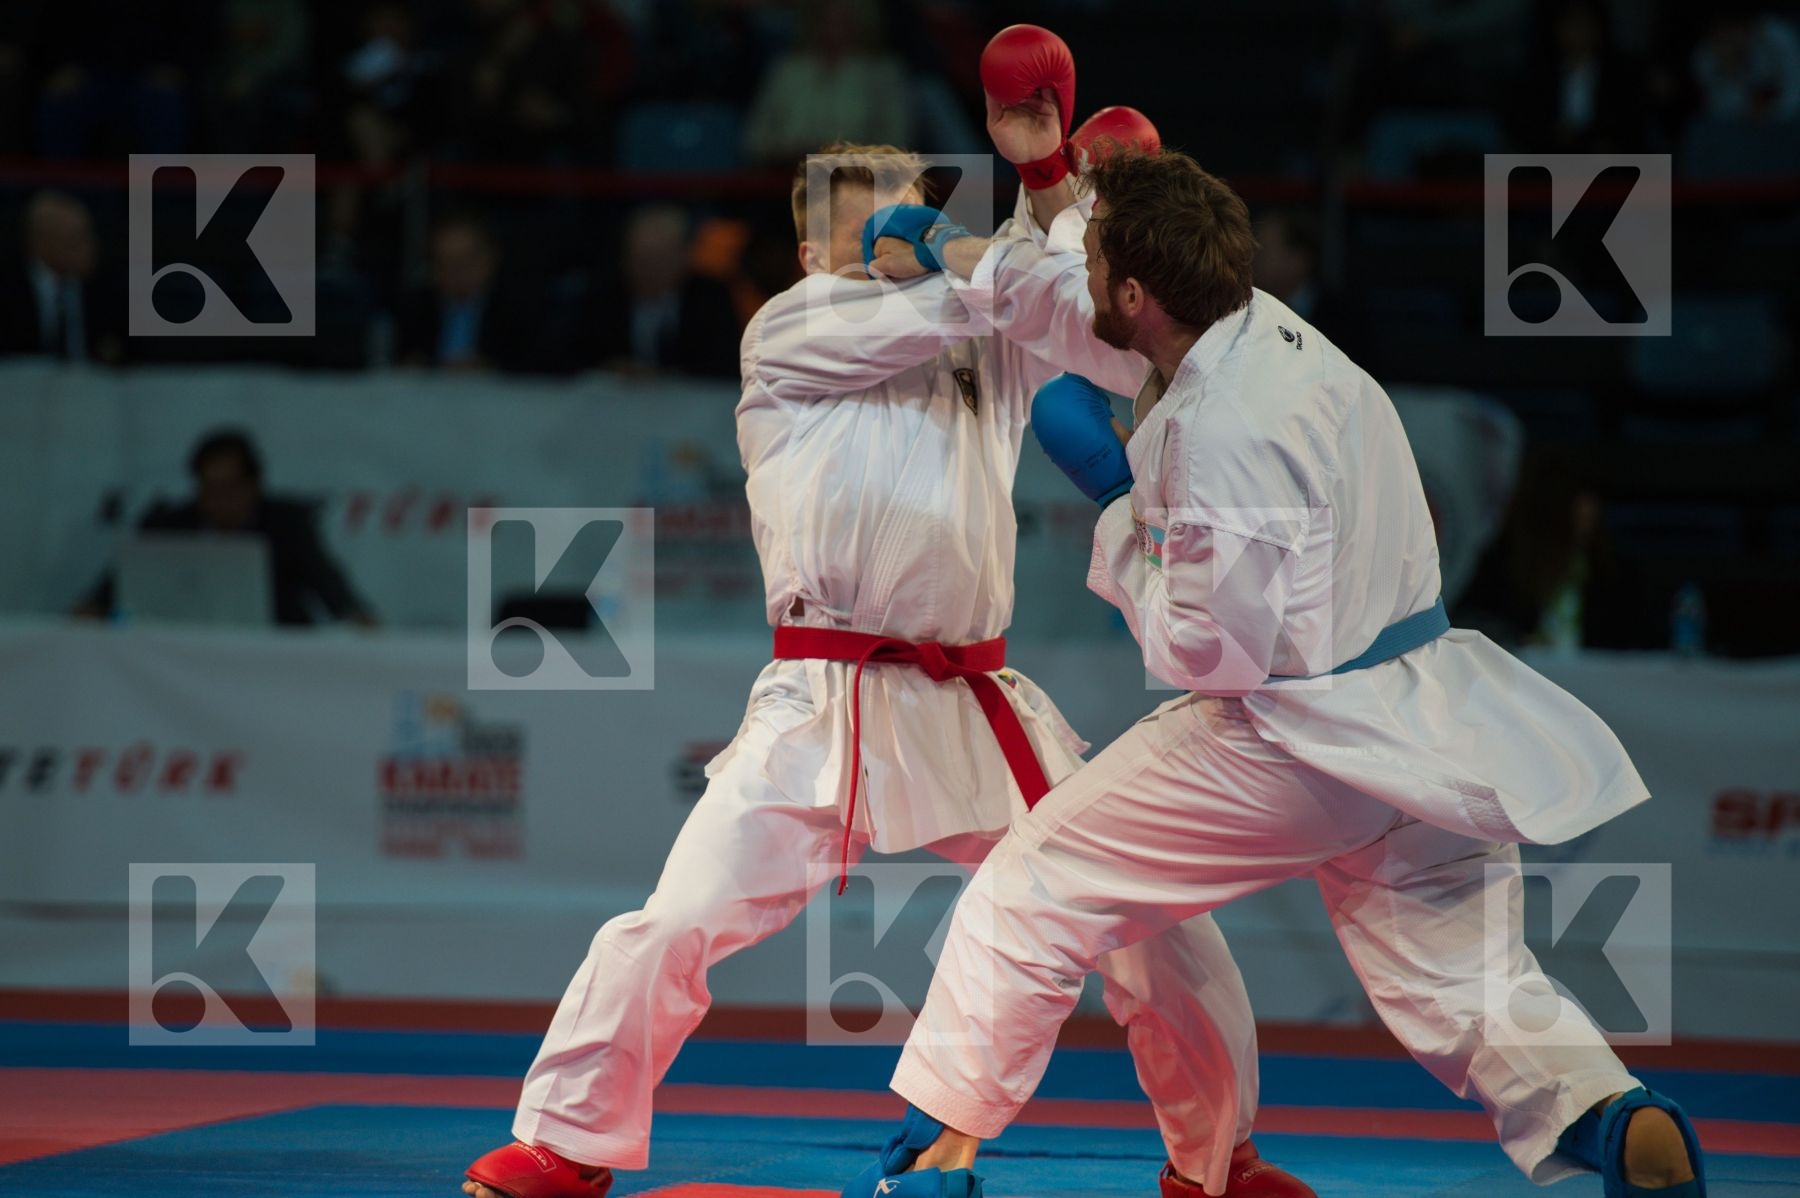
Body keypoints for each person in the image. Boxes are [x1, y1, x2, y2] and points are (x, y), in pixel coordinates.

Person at [463, 26, 1312, 1198]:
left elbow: (1101, 338)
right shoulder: (793, 329)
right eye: (868, 226)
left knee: (1159, 923)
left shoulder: (986, 329)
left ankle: (1220, 1159)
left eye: (911, 219)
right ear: (811, 242)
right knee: (679, 921)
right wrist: (1042, 212)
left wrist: (1049, 181)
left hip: (974, 697)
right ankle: (564, 1141)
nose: (897, 244)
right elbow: (991, 296)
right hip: (822, 698)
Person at [853, 149, 1705, 1198]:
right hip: (1428, 721)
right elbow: (1075, 297)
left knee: (1032, 885)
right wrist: (953, 253)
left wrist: (1121, 504)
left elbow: (1210, 652)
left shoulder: (1227, 436)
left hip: (1300, 729)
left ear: (1138, 290)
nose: (1093, 286)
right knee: (1470, 983)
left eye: (1107, 266)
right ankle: (1615, 1118)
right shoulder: (1254, 326)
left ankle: (934, 1160)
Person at [76, 429, 377, 627]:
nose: (219, 500)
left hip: (271, 656)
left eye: (230, 487)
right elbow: (119, 588)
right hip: (181, 655)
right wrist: (93, 609)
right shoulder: (167, 525)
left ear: (254, 486)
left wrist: (358, 619)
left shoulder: (286, 525)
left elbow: (331, 588)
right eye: (208, 488)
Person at [397, 213, 538, 372]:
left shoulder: (520, 308)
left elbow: (538, 368)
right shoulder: (415, 307)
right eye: (445, 262)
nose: (456, 272)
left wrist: (490, 369)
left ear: (491, 258)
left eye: (467, 261)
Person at [0, 190, 123, 364]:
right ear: (41, 243)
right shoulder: (7, 288)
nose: (90, 247)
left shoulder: (106, 288)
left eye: (89, 236)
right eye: (75, 239)